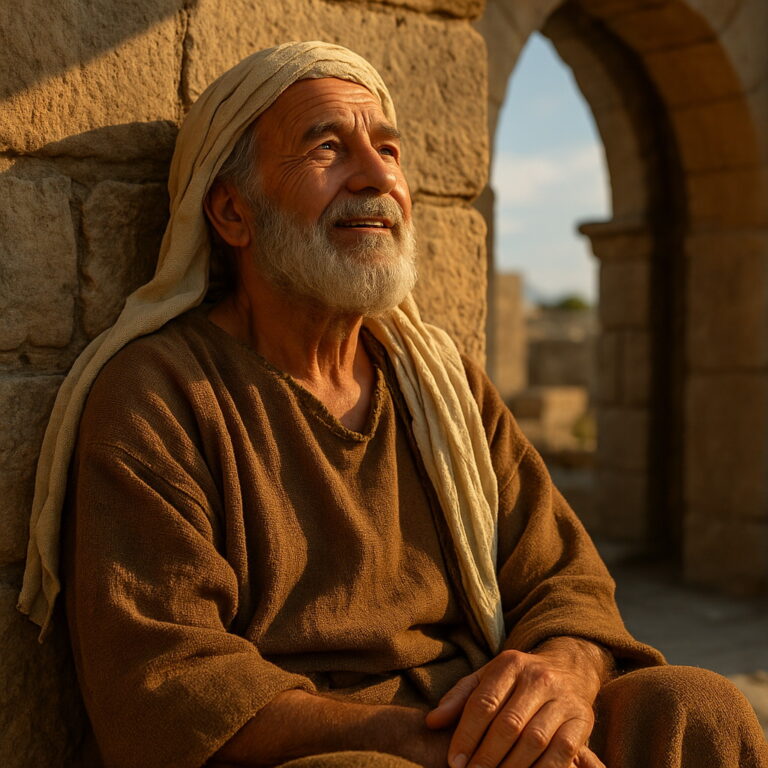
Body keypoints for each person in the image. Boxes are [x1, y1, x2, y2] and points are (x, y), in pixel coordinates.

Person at [19, 42, 768, 768]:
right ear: (231, 212)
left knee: (698, 708)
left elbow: (564, 580)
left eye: (389, 149)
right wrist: (434, 745)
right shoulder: (161, 395)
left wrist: (559, 681)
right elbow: (168, 678)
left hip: (476, 722)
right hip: (326, 743)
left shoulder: (443, 387)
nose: (375, 176)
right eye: (327, 149)